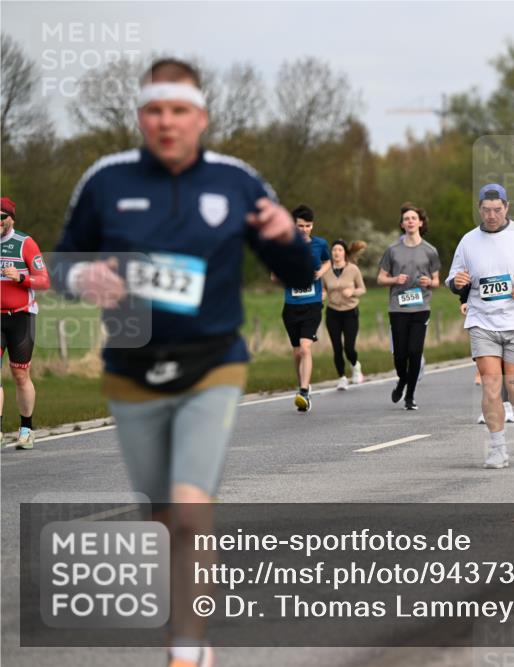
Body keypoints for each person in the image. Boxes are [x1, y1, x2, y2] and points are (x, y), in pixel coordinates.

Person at [52, 59, 313, 667]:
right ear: (142, 117)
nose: (167, 123)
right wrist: (82, 274)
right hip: (131, 369)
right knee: (162, 514)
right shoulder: (105, 180)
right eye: (155, 111)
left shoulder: (237, 181)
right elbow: (59, 263)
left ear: (200, 117)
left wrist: (287, 241)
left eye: (179, 111)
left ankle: (187, 650)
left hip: (212, 364)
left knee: (191, 509)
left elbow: (301, 276)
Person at [446, 183, 514, 469]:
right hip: (483, 321)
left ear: (506, 208)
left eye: (497, 210)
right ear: (479, 210)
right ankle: (498, 449)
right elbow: (454, 279)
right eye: (486, 210)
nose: (492, 215)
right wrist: (456, 283)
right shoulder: (468, 241)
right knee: (491, 386)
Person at [377, 203, 441, 410]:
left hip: (421, 307)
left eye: (414, 218)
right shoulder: (392, 250)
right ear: (402, 224)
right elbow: (380, 278)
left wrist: (429, 283)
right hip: (398, 308)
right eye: (406, 219)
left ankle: (410, 396)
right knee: (400, 355)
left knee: (415, 352)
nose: (410, 221)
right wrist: (395, 279)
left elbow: (437, 281)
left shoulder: (430, 251)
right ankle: (402, 379)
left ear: (420, 223)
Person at [1, 196, 51, 450]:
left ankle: (26, 429)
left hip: (22, 316)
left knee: (20, 375)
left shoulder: (25, 243)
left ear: (11, 219)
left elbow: (44, 280)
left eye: (2, 217)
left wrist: (21, 277)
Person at [276, 204, 330, 412]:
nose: (304, 230)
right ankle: (301, 388)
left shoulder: (320, 244)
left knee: (306, 348)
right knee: (297, 352)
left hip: (312, 304)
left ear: (312, 226)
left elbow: (326, 262)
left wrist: (319, 272)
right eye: (300, 226)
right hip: (291, 306)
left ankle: (305, 392)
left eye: (308, 226)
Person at [323, 239, 367, 390]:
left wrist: (353, 292)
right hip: (332, 312)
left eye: (340, 250)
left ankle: (356, 367)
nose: (336, 252)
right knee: (336, 347)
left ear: (345, 253)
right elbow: (323, 288)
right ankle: (342, 377)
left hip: (350, 312)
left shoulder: (353, 269)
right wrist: (322, 294)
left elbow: (362, 289)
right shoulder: (326, 271)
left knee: (349, 347)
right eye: (334, 250)